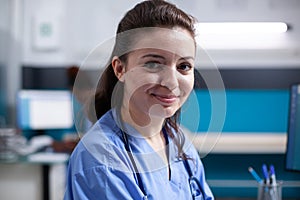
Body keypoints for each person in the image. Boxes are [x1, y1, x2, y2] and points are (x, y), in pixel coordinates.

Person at [64, 0, 214, 199]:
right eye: (153, 64)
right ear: (120, 69)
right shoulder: (101, 158)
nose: (171, 82)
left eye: (184, 66)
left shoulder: (178, 140)